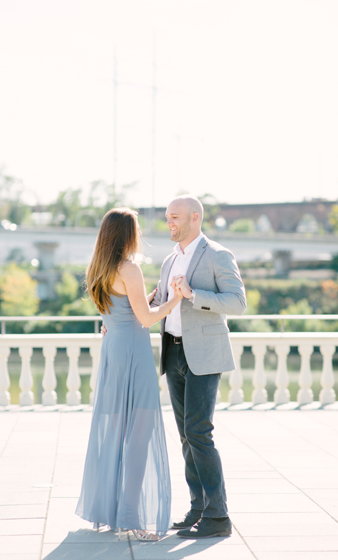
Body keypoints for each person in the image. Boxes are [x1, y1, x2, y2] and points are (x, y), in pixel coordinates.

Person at [76, 207, 181, 541]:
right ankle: (130, 518)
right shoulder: (130, 267)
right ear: (127, 234)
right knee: (139, 433)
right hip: (133, 353)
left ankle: (112, 511)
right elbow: (147, 320)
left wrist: (148, 301)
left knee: (116, 431)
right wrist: (175, 299)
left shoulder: (98, 268)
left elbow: (125, 311)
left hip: (113, 349)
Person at [151, 195, 246, 539]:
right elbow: (161, 302)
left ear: (194, 218)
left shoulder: (218, 255)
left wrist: (193, 294)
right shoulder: (168, 261)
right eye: (167, 218)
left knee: (199, 433)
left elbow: (237, 303)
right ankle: (198, 507)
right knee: (186, 437)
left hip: (205, 354)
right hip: (173, 353)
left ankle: (218, 517)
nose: (169, 223)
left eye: (174, 217)